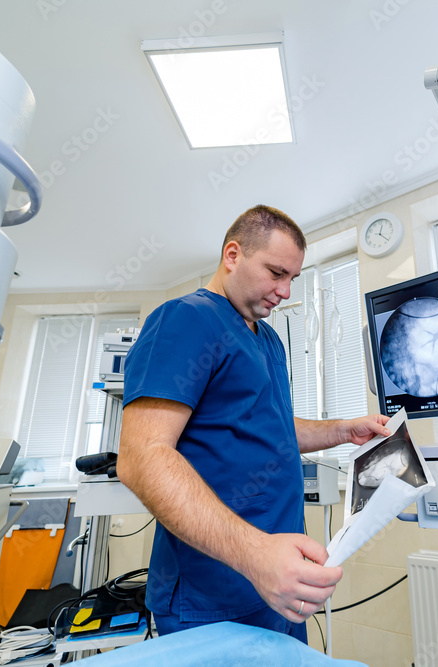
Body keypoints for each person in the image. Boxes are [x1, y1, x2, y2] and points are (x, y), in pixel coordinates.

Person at [117, 205, 391, 642]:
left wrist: (342, 430)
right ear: (232, 255)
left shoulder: (269, 340)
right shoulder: (187, 319)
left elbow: (272, 428)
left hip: (278, 583)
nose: (284, 291)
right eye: (275, 273)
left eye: (292, 280)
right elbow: (140, 458)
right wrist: (256, 554)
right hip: (214, 593)